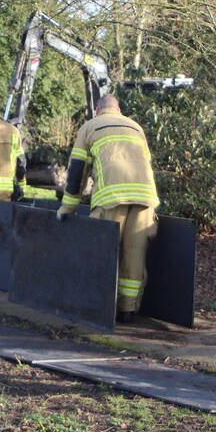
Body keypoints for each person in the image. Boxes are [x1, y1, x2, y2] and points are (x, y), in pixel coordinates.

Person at [56, 94, 159, 324]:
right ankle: (127, 310)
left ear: (97, 110)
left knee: (103, 253)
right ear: (119, 109)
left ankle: (100, 310)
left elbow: (77, 170)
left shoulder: (90, 127)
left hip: (112, 198)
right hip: (145, 198)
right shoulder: (136, 127)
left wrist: (68, 207)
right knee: (135, 254)